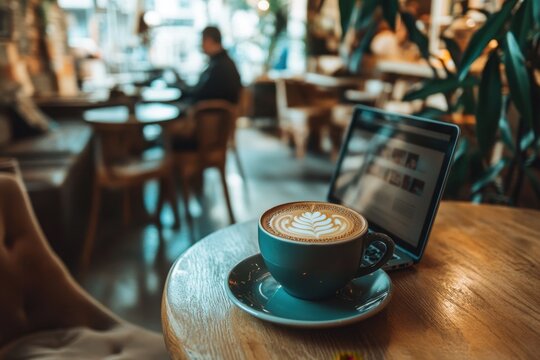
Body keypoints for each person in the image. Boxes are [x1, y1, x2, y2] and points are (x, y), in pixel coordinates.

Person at [179, 26, 242, 104]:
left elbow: (202, 94)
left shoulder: (219, 66)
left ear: (209, 41)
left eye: (202, 41)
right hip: (214, 110)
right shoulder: (222, 61)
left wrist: (181, 89)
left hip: (212, 113)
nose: (201, 45)